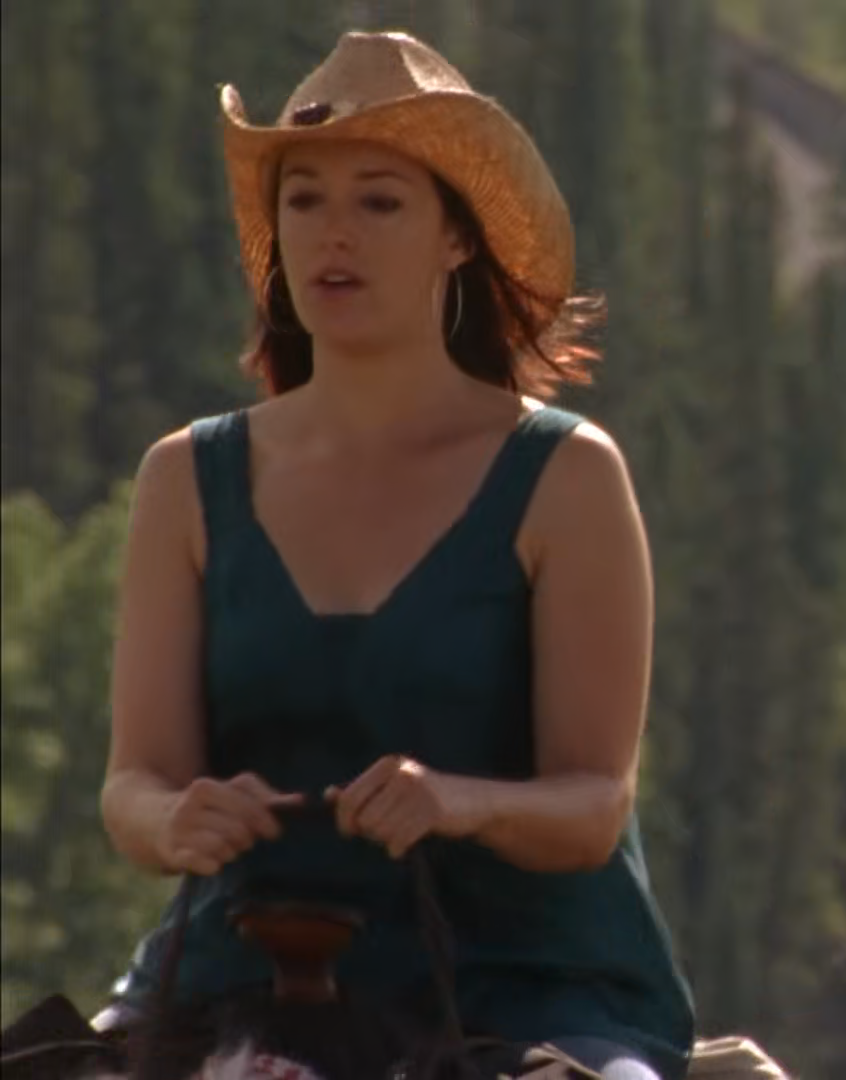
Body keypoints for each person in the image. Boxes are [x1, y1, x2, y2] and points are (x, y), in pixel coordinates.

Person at [94, 31, 693, 1080]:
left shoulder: (564, 475)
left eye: (379, 202)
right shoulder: (186, 477)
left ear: (458, 238)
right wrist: (176, 818)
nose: (334, 234)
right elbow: (133, 784)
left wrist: (462, 801)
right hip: (238, 977)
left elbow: (594, 804)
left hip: (526, 993)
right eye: (304, 200)